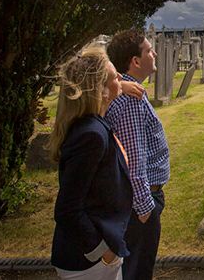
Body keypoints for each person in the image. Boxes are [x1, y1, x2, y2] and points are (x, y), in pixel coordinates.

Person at [48, 47, 133, 279]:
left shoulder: (95, 123)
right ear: (101, 90)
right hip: (86, 261)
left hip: (99, 253)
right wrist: (101, 251)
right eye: (116, 76)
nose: (122, 79)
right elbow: (67, 209)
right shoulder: (91, 136)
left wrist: (116, 86)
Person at [105, 29, 170, 280]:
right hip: (140, 202)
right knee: (137, 270)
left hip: (140, 198)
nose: (154, 54)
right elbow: (133, 158)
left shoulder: (125, 90)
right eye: (149, 50)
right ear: (135, 61)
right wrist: (145, 208)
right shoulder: (129, 101)